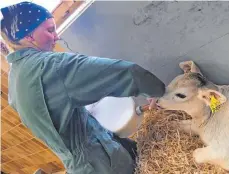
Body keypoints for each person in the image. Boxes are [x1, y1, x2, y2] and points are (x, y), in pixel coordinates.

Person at [0, 2, 165, 174]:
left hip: (77, 166)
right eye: (50, 30)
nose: (56, 37)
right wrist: (157, 91)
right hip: (103, 163)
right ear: (29, 36)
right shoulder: (50, 66)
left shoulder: (15, 78)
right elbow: (126, 72)